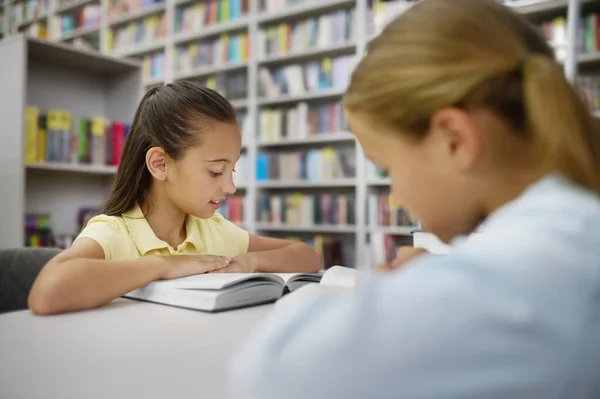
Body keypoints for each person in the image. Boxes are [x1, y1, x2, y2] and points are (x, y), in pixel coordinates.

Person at [227, 0, 600, 398]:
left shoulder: (524, 277)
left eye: (388, 169)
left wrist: (403, 291)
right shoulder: (571, 232)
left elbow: (271, 371)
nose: (397, 199)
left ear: (454, 140)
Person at [28, 82, 322, 315]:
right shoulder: (114, 233)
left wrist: (252, 261)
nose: (230, 187)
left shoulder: (214, 231)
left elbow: (308, 256)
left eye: (231, 170)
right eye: (216, 171)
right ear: (160, 164)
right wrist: (166, 265)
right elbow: (46, 293)